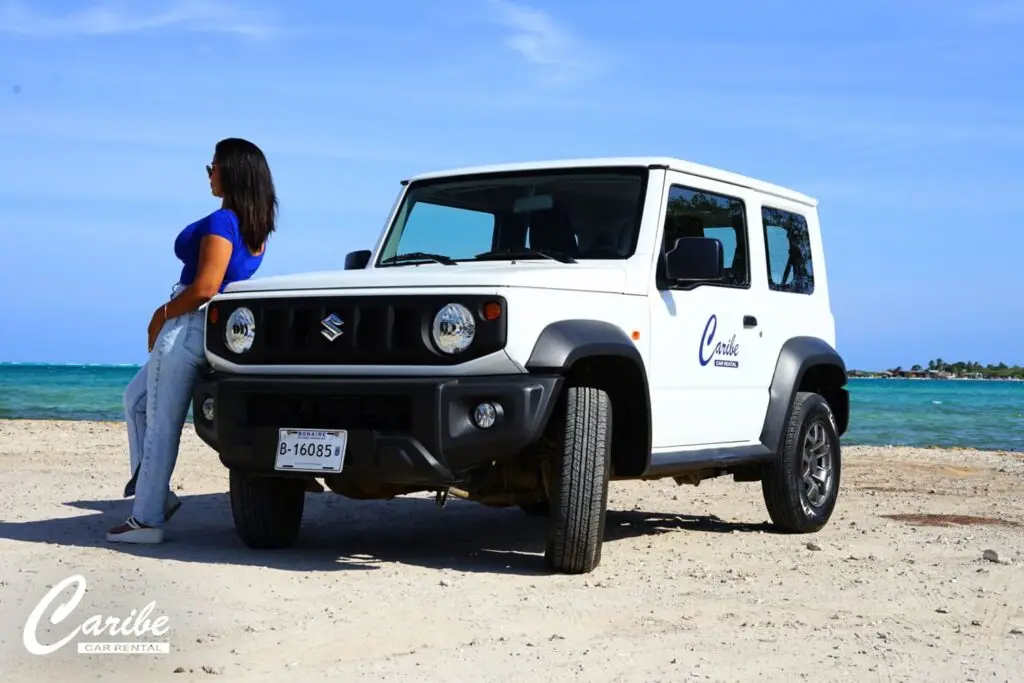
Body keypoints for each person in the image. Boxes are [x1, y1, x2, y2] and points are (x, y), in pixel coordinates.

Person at [107, 137, 278, 544]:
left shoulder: (224, 223)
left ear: (232, 172)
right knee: (136, 402)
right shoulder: (256, 227)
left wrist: (160, 315)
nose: (208, 174)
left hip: (187, 326)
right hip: (210, 330)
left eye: (213, 166)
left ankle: (146, 520)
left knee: (162, 423)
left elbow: (205, 287)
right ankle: (156, 497)